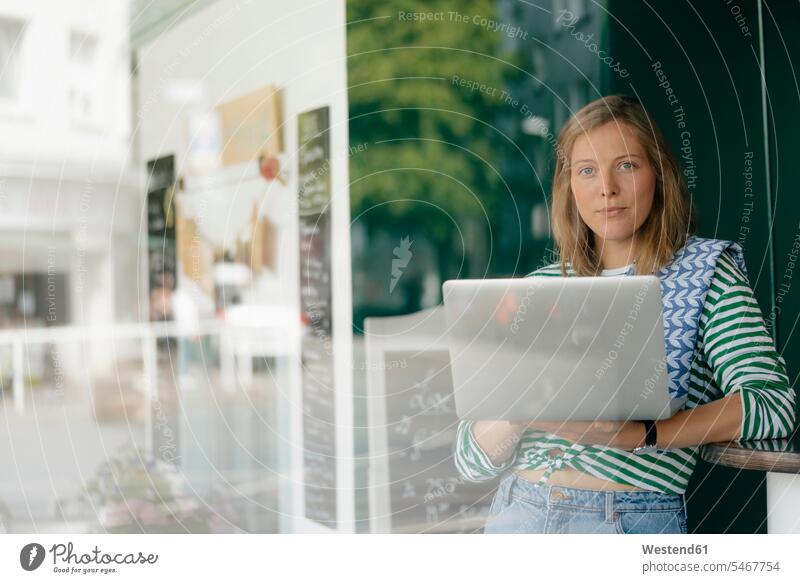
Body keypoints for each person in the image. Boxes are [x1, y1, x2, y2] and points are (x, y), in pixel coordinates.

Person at [454, 95, 796, 534]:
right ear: (569, 186)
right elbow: (470, 460)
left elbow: (771, 405)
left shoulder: (707, 272)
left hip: (625, 519)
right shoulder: (539, 288)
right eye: (587, 170)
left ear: (660, 173)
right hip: (517, 513)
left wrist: (645, 435)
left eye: (627, 165)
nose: (606, 188)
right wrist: (521, 410)